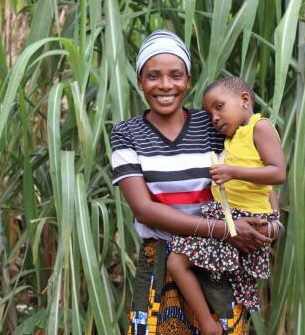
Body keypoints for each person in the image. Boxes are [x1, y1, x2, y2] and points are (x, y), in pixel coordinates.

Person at [111, 30, 272, 334]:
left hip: (217, 261)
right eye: (153, 76)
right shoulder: (127, 134)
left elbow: (256, 171)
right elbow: (144, 210)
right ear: (140, 82)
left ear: (188, 80)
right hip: (160, 261)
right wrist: (224, 229)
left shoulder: (211, 124)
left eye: (175, 75)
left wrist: (268, 224)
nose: (165, 85)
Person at [167, 76, 286, 334]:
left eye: (219, 107)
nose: (215, 119)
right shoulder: (233, 139)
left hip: (245, 217)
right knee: (199, 270)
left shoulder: (260, 127)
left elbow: (277, 174)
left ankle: (210, 325)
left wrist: (232, 172)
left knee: (176, 262)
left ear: (244, 100)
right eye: (210, 115)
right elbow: (265, 188)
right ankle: (217, 320)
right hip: (228, 217)